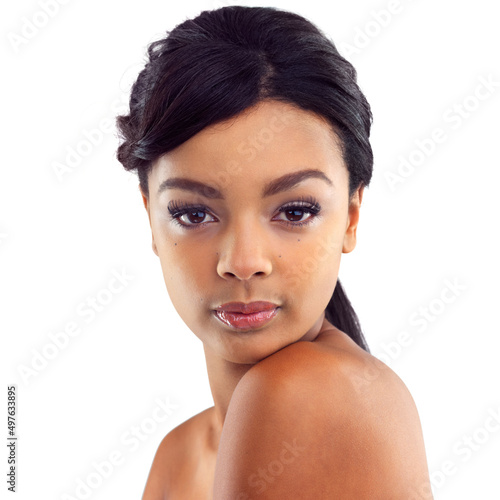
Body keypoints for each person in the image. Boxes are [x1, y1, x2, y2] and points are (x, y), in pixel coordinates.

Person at [116, 5, 433, 499]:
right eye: (194, 214)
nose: (243, 262)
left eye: (295, 211)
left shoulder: (303, 394)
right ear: (150, 219)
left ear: (351, 217)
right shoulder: (178, 454)